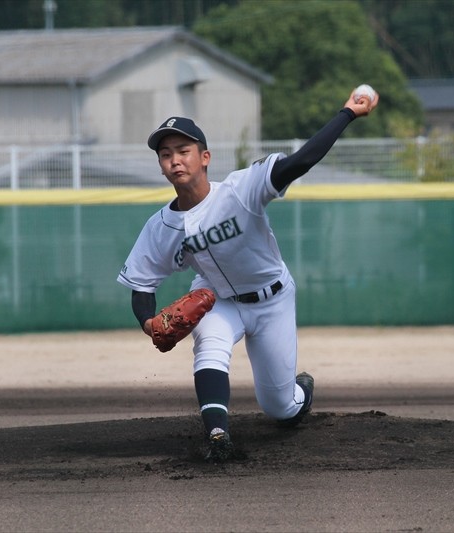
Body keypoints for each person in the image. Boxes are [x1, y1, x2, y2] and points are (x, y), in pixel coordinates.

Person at [117, 87, 379, 462]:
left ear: (205, 157)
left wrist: (347, 113)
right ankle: (218, 435)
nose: (175, 160)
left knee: (280, 406)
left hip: (272, 299)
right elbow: (142, 284)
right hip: (217, 299)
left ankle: (299, 392)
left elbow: (301, 161)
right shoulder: (160, 227)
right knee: (209, 345)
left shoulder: (241, 189)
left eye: (183, 151)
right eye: (165, 154)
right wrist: (147, 322)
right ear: (160, 165)